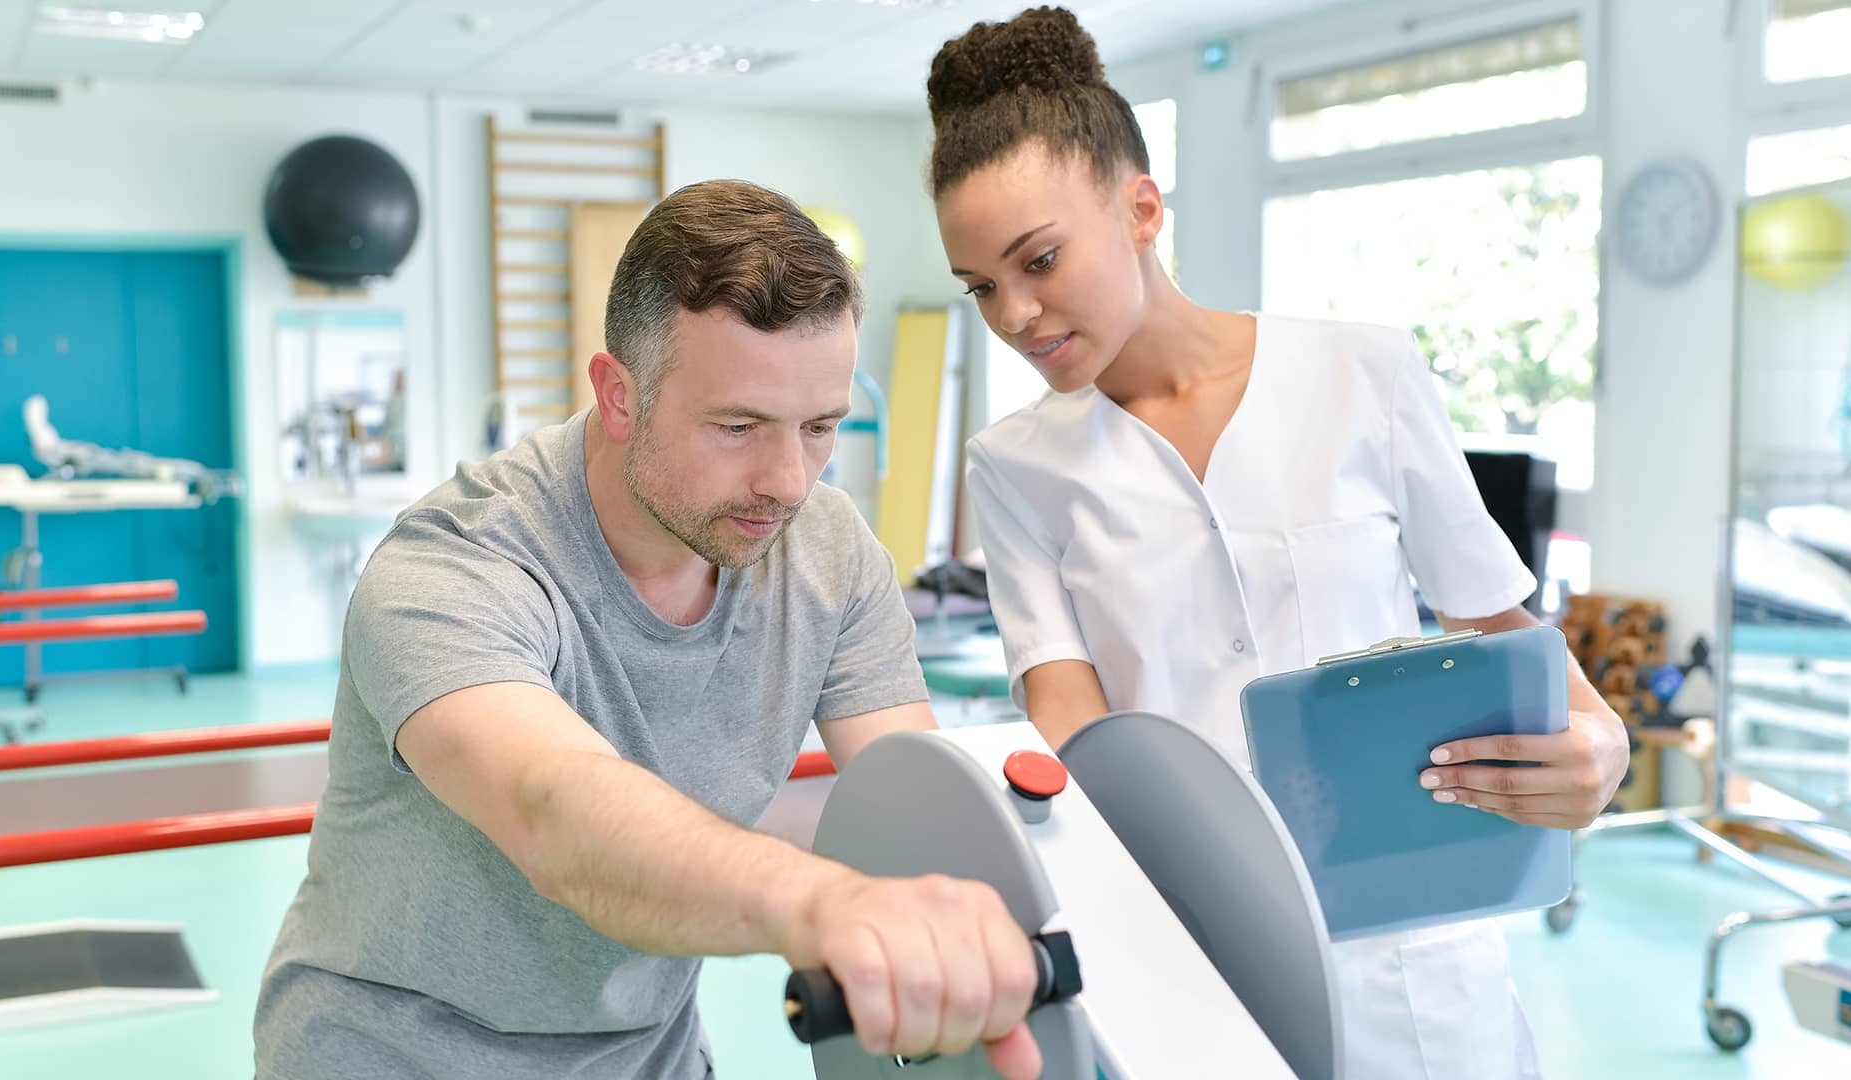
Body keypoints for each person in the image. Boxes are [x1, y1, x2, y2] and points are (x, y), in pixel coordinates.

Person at [925, 8, 1629, 1079]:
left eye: (1041, 260)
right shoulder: (1015, 466)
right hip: (1195, 953)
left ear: (1142, 207)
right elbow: (1078, 735)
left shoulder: (1364, 377)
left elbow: (1503, 631)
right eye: (982, 287)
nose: (1015, 314)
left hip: (1416, 958)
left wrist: (1603, 750)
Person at [254, 179, 1044, 1080]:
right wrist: (822, 905)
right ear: (618, 394)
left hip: (646, 1059)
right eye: (739, 426)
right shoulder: (453, 566)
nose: (789, 480)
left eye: (820, 427)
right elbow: (558, 814)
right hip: (390, 1058)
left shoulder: (825, 551)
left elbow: (916, 794)